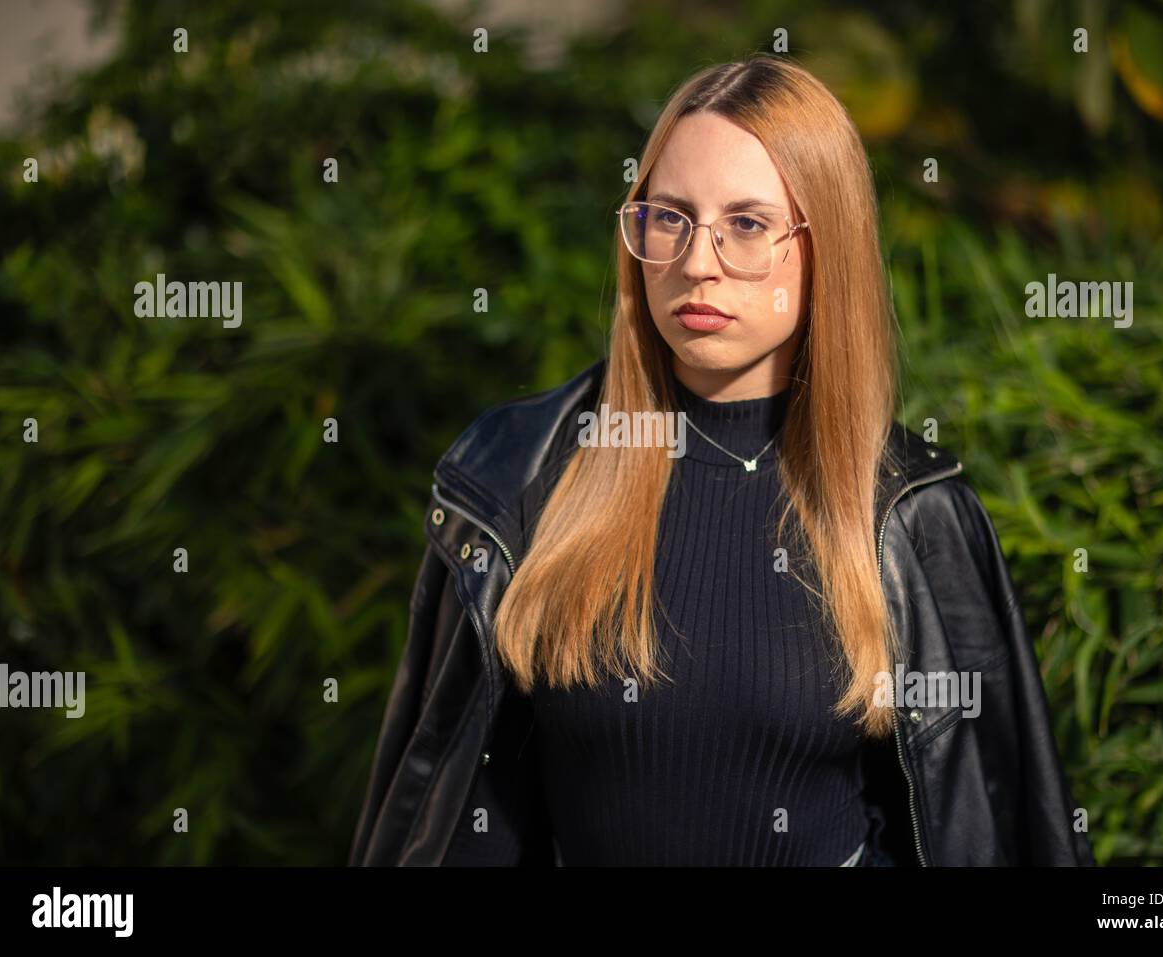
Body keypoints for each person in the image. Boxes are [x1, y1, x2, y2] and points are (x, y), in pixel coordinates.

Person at [349, 54, 1094, 867]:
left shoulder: (912, 515)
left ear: (826, 247)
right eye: (668, 216)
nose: (696, 262)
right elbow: (459, 816)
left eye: (746, 224)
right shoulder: (516, 475)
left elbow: (990, 827)